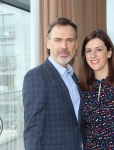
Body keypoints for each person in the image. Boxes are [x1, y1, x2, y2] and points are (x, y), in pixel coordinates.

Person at [22, 17, 83, 150]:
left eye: (69, 40)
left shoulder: (73, 77)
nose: (64, 46)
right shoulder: (36, 76)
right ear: (48, 43)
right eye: (58, 40)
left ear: (76, 44)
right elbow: (32, 130)